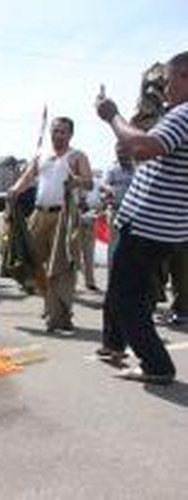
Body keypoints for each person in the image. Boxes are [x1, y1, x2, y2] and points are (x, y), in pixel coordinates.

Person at [95, 52, 188, 384]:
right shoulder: (176, 115)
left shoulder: (185, 114)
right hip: (159, 225)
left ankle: (157, 365)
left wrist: (112, 116)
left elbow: (144, 146)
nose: (164, 88)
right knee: (129, 291)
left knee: (126, 297)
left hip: (149, 226)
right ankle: (116, 346)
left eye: (169, 80)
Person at [9, 117, 93, 333]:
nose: (58, 135)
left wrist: (77, 181)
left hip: (63, 218)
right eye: (55, 131)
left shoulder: (77, 156)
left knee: (62, 268)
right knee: (30, 261)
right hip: (39, 215)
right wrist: (14, 190)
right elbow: (27, 178)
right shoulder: (41, 156)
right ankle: (50, 303)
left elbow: (89, 182)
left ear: (70, 135)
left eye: (63, 132)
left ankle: (59, 315)